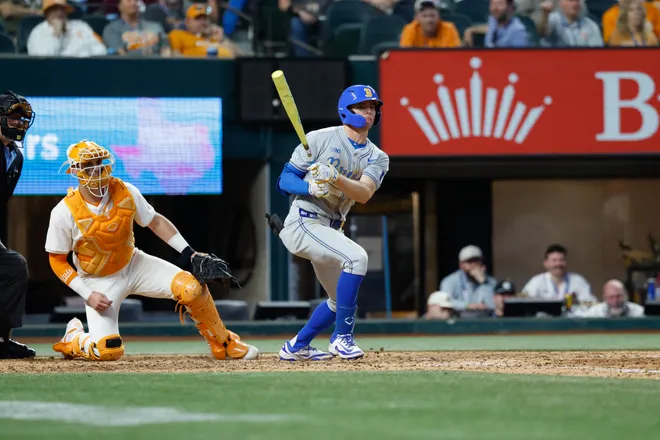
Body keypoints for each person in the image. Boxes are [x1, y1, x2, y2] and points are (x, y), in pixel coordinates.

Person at [46, 140, 258, 361]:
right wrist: (87, 294)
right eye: (89, 164)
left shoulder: (126, 191)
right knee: (108, 351)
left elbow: (154, 221)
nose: (97, 169)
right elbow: (57, 260)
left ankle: (223, 343)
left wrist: (190, 253)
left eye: (99, 162)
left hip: (134, 263)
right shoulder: (63, 211)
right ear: (75, 170)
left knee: (191, 288)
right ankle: (75, 338)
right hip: (98, 280)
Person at [276, 85, 390, 361]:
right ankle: (342, 338)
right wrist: (310, 187)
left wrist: (334, 177)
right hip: (303, 221)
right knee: (357, 258)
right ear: (346, 111)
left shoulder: (377, 157)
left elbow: (363, 194)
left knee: (339, 302)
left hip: (330, 227)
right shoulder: (319, 139)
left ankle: (296, 347)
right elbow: (284, 181)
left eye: (373, 107)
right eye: (363, 107)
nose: (370, 112)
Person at [0, 90, 36, 360]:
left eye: (24, 118)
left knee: (14, 265)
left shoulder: (16, 157)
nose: (20, 123)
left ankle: (2, 340)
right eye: (14, 117)